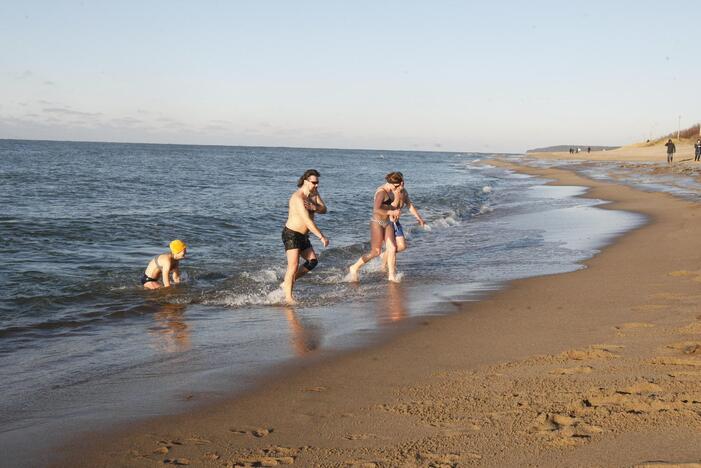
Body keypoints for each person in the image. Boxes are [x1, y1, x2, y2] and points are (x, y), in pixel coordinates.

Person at [281, 169, 329, 304]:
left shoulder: (314, 193)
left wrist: (315, 207)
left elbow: (324, 209)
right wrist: (321, 237)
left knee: (313, 261)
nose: (317, 185)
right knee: (293, 266)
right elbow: (307, 221)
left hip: (303, 236)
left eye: (318, 182)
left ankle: (286, 283)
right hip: (291, 234)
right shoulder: (298, 198)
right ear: (305, 181)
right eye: (314, 182)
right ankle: (288, 298)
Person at [348, 172, 403, 283]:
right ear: (391, 183)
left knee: (391, 248)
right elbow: (376, 209)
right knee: (376, 252)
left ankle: (391, 276)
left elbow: (390, 206)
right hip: (377, 223)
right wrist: (391, 211)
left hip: (387, 222)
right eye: (397, 185)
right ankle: (354, 267)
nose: (398, 187)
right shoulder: (381, 192)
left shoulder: (392, 191)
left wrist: (394, 213)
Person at [380, 179, 426, 269]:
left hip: (396, 222)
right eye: (400, 182)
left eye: (403, 181)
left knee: (402, 246)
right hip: (385, 222)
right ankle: (387, 269)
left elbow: (410, 205)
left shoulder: (404, 192)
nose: (402, 183)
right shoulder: (390, 192)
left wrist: (419, 218)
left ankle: (384, 256)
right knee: (392, 248)